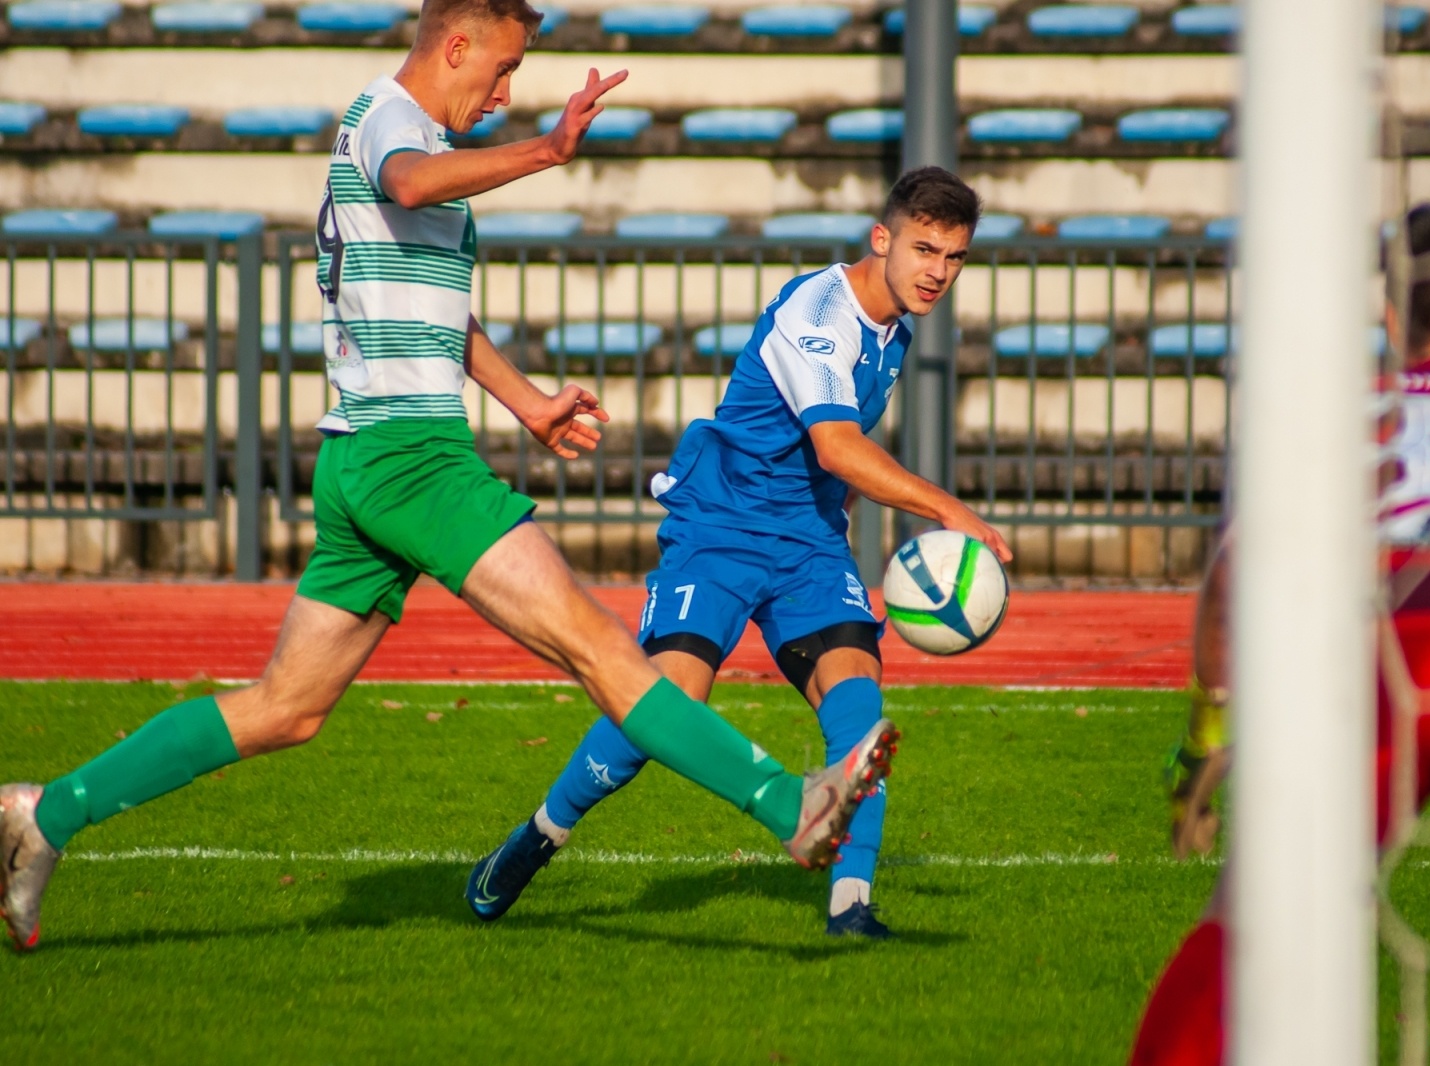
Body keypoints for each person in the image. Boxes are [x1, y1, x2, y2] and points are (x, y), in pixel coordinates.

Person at [0, 0, 898, 954]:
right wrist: (546, 153)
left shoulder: (421, 153)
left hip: (365, 458)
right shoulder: (389, 121)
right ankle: (786, 801)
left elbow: (439, 313)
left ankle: (42, 814)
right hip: (410, 458)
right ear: (456, 45)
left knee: (285, 709)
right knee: (603, 650)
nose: (505, 92)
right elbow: (413, 182)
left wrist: (527, 402)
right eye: (500, 69)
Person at [464, 166, 1012, 939]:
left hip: (809, 543)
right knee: (666, 700)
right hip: (721, 524)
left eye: (954, 258)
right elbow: (835, 446)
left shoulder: (896, 331)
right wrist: (949, 510)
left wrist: (841, 517)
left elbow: (834, 457)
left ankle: (851, 905)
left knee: (860, 717)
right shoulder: (816, 309)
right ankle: (537, 836)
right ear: (881, 239)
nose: (938, 273)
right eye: (925, 250)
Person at [1132, 192, 1430, 1065]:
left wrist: (1207, 741)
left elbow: (1235, 573)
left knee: (1251, 926)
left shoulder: (1346, 414)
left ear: (1389, 312)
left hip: (1392, 653)